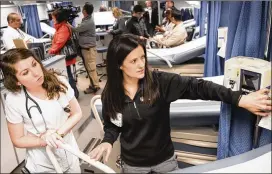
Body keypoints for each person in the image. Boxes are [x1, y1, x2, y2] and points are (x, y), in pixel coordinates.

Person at [89, 34, 271, 173]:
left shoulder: (160, 82)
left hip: (165, 163)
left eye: (142, 58)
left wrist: (240, 99)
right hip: (133, 166)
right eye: (134, 61)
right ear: (119, 65)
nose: (141, 65)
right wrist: (107, 141)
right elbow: (113, 125)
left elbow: (200, 87)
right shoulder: (111, 94)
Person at [0, 48, 83, 173]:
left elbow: (76, 113)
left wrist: (57, 134)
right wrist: (42, 140)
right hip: (42, 165)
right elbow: (18, 139)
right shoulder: (14, 100)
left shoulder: (59, 81)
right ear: (17, 81)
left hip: (70, 153)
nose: (36, 73)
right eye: (25, 72)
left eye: (34, 64)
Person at [68, 3, 100, 94]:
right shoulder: (86, 19)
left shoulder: (88, 22)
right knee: (89, 68)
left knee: (91, 68)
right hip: (86, 49)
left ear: (84, 11)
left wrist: (68, 25)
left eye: (83, 9)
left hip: (88, 50)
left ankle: (95, 86)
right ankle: (93, 84)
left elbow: (76, 30)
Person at [48, 8, 79, 99]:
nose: (52, 19)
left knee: (68, 76)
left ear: (58, 18)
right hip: (62, 56)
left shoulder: (63, 28)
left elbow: (59, 43)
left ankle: (74, 94)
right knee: (67, 75)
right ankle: (73, 93)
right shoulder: (61, 26)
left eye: (53, 18)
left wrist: (50, 52)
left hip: (65, 56)